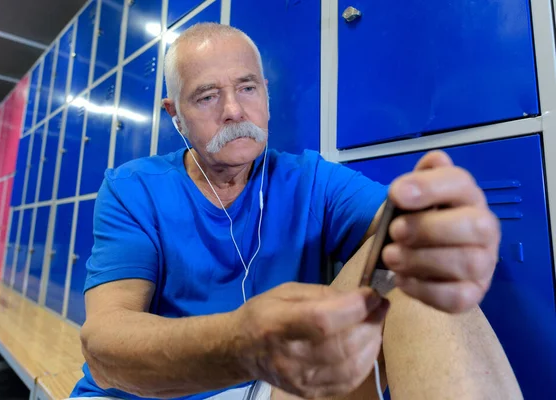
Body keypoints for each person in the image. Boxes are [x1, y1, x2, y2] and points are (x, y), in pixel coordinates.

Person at [69, 23, 522, 400]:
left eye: (247, 87)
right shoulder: (133, 188)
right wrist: (241, 344)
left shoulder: (309, 179)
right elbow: (104, 346)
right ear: (175, 115)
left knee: (410, 261)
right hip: (155, 393)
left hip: (270, 390)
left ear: (265, 96)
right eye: (206, 96)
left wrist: (444, 233)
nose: (232, 110)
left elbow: (399, 227)